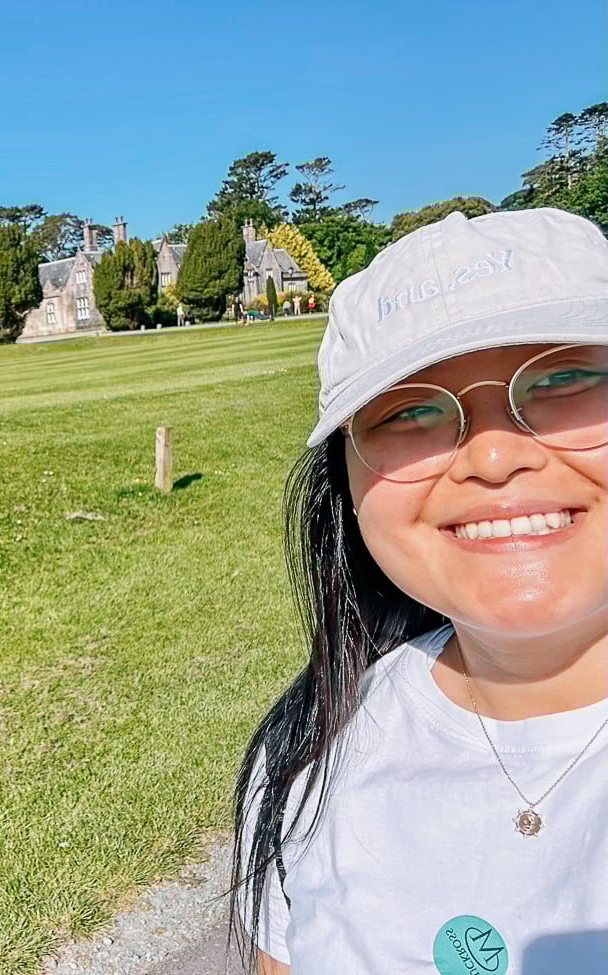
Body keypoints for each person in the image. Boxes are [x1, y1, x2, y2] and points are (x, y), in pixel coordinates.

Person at [232, 208, 608, 974]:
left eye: (564, 377)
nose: (494, 455)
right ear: (347, 485)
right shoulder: (307, 754)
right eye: (411, 411)